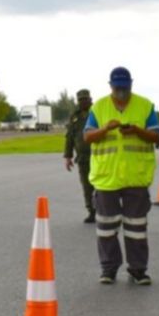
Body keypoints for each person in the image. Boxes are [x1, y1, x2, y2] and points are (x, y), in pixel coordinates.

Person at [83, 67, 159, 285]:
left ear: (131, 85)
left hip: (135, 177)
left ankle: (138, 270)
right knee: (106, 228)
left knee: (136, 228)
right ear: (110, 86)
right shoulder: (99, 107)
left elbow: (156, 136)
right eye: (117, 87)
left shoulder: (145, 106)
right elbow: (88, 137)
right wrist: (105, 129)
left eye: (125, 87)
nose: (121, 92)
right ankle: (108, 269)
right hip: (106, 178)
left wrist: (137, 130)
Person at [63, 89, 96, 223]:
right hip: (82, 158)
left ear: (90, 99)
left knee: (102, 186)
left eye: (85, 99)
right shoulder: (74, 116)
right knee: (86, 186)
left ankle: (106, 210)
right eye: (80, 100)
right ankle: (92, 212)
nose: (83, 102)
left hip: (98, 156)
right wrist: (68, 156)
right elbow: (69, 137)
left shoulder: (97, 113)